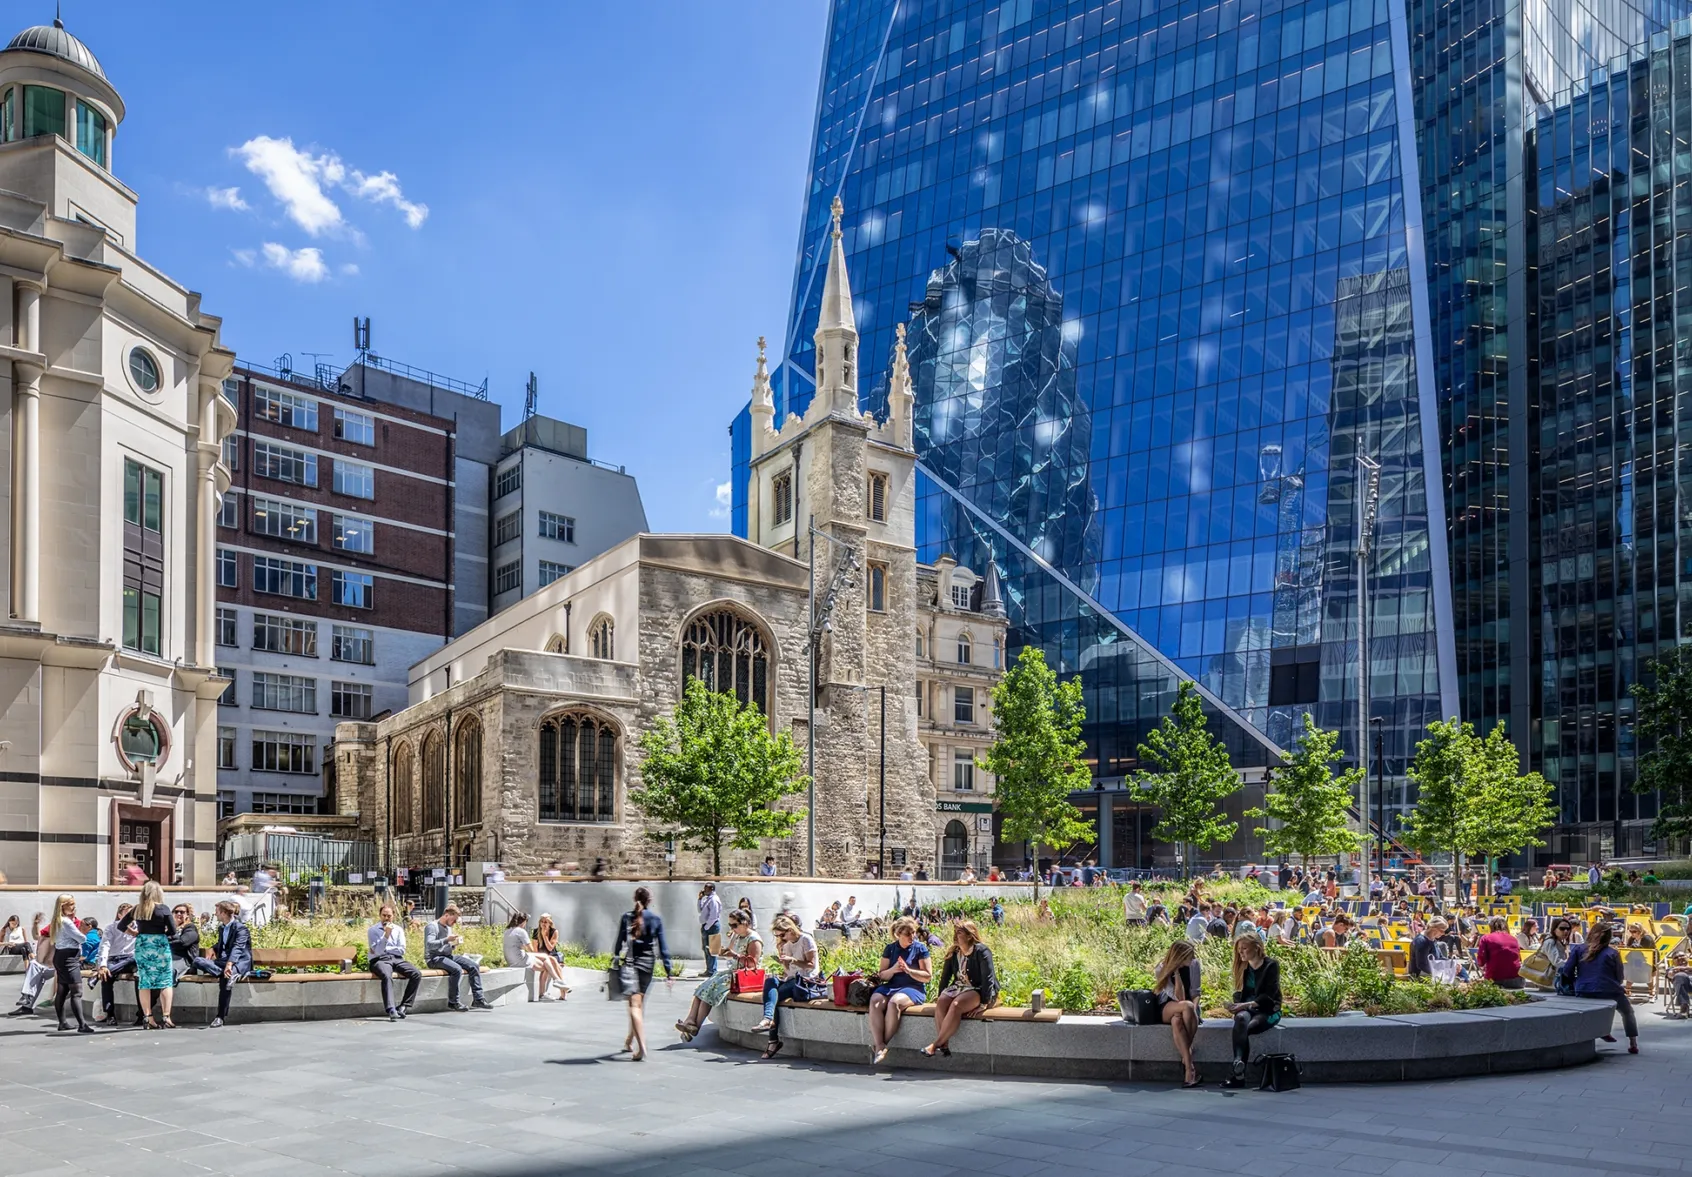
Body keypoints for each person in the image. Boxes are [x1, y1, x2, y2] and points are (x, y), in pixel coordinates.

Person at [677, 907, 762, 1041]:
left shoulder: (754, 939)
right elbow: (731, 951)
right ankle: (689, 1022)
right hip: (733, 972)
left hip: (744, 976)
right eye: (730, 925)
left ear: (745, 922)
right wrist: (723, 952)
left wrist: (734, 955)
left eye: (735, 925)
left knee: (711, 991)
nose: (733, 928)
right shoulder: (737, 935)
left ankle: (695, 1027)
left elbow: (753, 964)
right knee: (703, 987)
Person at [612, 887, 674, 1061]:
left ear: (634, 899)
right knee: (638, 1004)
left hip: (632, 965)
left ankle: (642, 1048)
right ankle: (629, 1040)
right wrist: (669, 972)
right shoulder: (656, 919)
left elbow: (619, 944)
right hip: (648, 965)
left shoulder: (627, 917)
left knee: (634, 1006)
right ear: (650, 900)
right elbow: (663, 948)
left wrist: (616, 960)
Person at [1559, 923, 1638, 1053]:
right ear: (1609, 937)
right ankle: (1633, 1043)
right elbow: (1619, 976)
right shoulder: (1612, 953)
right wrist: (1617, 985)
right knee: (1627, 1012)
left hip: (1584, 990)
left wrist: (1577, 982)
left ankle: (1601, 1032)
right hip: (1609, 989)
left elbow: (1567, 970)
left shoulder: (1578, 950)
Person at [923, 920, 997, 1058]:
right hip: (960, 987)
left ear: (970, 935)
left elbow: (988, 978)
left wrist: (984, 1003)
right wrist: (940, 995)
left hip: (978, 989)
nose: (955, 936)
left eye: (959, 932)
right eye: (955, 932)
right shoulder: (954, 952)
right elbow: (945, 978)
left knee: (956, 1005)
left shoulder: (981, 951)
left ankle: (936, 1044)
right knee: (942, 1002)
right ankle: (944, 1045)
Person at [754, 914, 820, 1059]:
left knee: (773, 996)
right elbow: (788, 971)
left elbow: (811, 965)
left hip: (805, 980)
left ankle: (771, 1036)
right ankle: (768, 1020)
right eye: (778, 936)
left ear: (790, 930)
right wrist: (783, 961)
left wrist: (793, 960)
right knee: (770, 982)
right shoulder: (787, 944)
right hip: (792, 979)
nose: (781, 938)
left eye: (782, 935)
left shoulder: (806, 939)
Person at [867, 916, 931, 1065]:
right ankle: (879, 1044)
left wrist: (909, 971)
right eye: (908, 934)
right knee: (875, 1000)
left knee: (894, 1002)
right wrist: (894, 969)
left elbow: (927, 976)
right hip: (892, 985)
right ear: (898, 934)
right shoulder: (890, 949)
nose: (912, 936)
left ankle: (881, 1045)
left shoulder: (920, 948)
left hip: (913, 987)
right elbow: (882, 975)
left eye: (914, 932)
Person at [118, 880, 176, 1029]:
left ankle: (148, 1017)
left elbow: (121, 925)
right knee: (166, 980)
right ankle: (166, 1016)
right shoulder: (163, 909)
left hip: (143, 944)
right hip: (159, 945)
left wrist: (134, 933)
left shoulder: (138, 909)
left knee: (144, 981)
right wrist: (162, 933)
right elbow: (173, 930)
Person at [1225, 935, 1282, 1087]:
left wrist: (1243, 1005)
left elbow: (1269, 996)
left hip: (1268, 1010)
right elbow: (1240, 994)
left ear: (1256, 948)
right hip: (1247, 1009)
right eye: (1239, 950)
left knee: (1246, 1028)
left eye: (1244, 948)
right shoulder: (1244, 967)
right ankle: (1238, 1063)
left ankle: (1238, 1074)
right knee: (1241, 1020)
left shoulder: (1271, 965)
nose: (1241, 953)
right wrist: (1235, 1005)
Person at [1152, 940, 1201, 1088]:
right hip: (1168, 1005)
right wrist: (1177, 973)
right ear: (1180, 956)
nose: (1192, 959)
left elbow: (1196, 992)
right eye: (1189, 956)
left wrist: (1194, 1009)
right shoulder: (1161, 968)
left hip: (1189, 1008)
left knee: (1178, 1021)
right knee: (1185, 1006)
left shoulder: (1194, 965)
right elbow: (1178, 998)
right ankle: (1189, 1054)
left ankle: (1189, 1068)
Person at [425, 905, 493, 1012]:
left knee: (473, 965)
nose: (455, 922)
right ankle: (453, 1002)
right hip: (434, 958)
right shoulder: (432, 926)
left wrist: (453, 944)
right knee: (457, 969)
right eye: (454, 919)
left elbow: (445, 945)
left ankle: (478, 999)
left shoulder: (448, 928)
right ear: (447, 915)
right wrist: (446, 940)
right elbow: (429, 945)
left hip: (447, 956)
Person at [368, 903, 423, 1020]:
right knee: (386, 976)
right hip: (380, 960)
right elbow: (377, 952)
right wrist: (386, 936)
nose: (386, 918)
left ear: (393, 916)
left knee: (416, 974)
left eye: (389, 916)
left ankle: (404, 1005)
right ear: (380, 915)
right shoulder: (373, 930)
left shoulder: (398, 930)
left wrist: (386, 948)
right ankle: (391, 1009)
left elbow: (402, 950)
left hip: (396, 959)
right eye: (384, 915)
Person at [46, 894, 92, 1033]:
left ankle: (63, 1022)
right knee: (76, 991)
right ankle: (82, 1024)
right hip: (69, 957)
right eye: (71, 904)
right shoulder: (66, 921)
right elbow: (81, 938)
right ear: (63, 906)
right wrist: (83, 931)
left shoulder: (57, 920)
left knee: (62, 990)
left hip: (61, 955)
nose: (74, 907)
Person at [202, 900, 253, 1028]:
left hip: (239, 962)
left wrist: (230, 964)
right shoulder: (222, 928)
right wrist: (213, 948)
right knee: (198, 961)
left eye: (217, 912)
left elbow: (238, 947)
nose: (215, 914)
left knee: (226, 978)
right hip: (224, 963)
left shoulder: (241, 928)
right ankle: (227, 973)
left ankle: (220, 1017)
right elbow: (222, 944)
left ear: (224, 913)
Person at [503, 910, 569, 999]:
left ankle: (557, 982)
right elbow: (531, 950)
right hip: (520, 960)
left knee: (549, 959)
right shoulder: (522, 931)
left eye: (546, 922)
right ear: (523, 921)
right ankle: (550, 987)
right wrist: (543, 936)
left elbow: (517, 946)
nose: (543, 923)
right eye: (542, 921)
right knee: (547, 964)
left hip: (511, 960)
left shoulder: (507, 931)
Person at [94, 903, 137, 1025]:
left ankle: (142, 1014)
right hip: (114, 959)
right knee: (106, 977)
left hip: (131, 959)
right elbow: (105, 946)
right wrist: (102, 965)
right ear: (119, 915)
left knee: (138, 970)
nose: (131, 917)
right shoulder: (111, 928)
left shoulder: (139, 928)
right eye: (127, 914)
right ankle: (110, 1014)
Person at [1476, 916, 1524, 988]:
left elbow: (1481, 960)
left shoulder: (1486, 938)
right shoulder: (1514, 939)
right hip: (1517, 980)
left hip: (1495, 979)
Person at [169, 902, 201, 982]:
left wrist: (165, 943)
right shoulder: (168, 929)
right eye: (176, 912)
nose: (179, 914)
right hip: (169, 958)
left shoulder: (190, 928)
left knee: (168, 972)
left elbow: (182, 943)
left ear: (187, 915)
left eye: (182, 912)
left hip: (185, 961)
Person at [698, 883, 722, 978]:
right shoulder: (707, 899)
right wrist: (700, 899)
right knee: (706, 949)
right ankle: (709, 969)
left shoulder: (714, 900)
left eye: (706, 888)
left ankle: (712, 970)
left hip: (712, 926)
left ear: (711, 889)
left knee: (712, 949)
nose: (704, 890)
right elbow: (700, 910)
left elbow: (714, 915)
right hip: (707, 925)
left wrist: (707, 926)